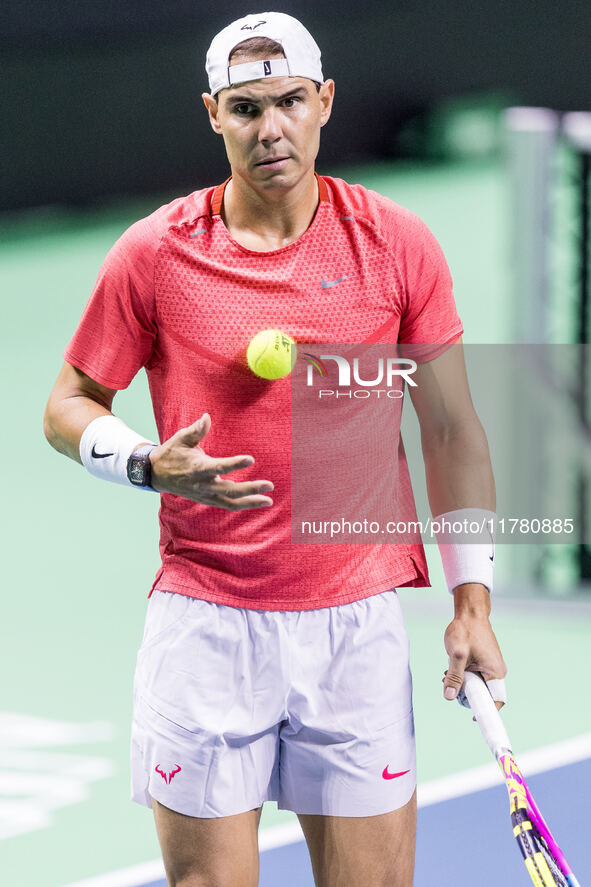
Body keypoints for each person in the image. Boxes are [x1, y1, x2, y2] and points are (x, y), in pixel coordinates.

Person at [44, 11, 507, 887]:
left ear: (323, 101)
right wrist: (144, 461)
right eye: (246, 107)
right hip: (207, 624)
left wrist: (471, 602)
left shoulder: (396, 243)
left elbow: (451, 429)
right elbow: (68, 403)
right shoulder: (152, 254)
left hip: (354, 625)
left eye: (290, 101)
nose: (271, 129)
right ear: (212, 114)